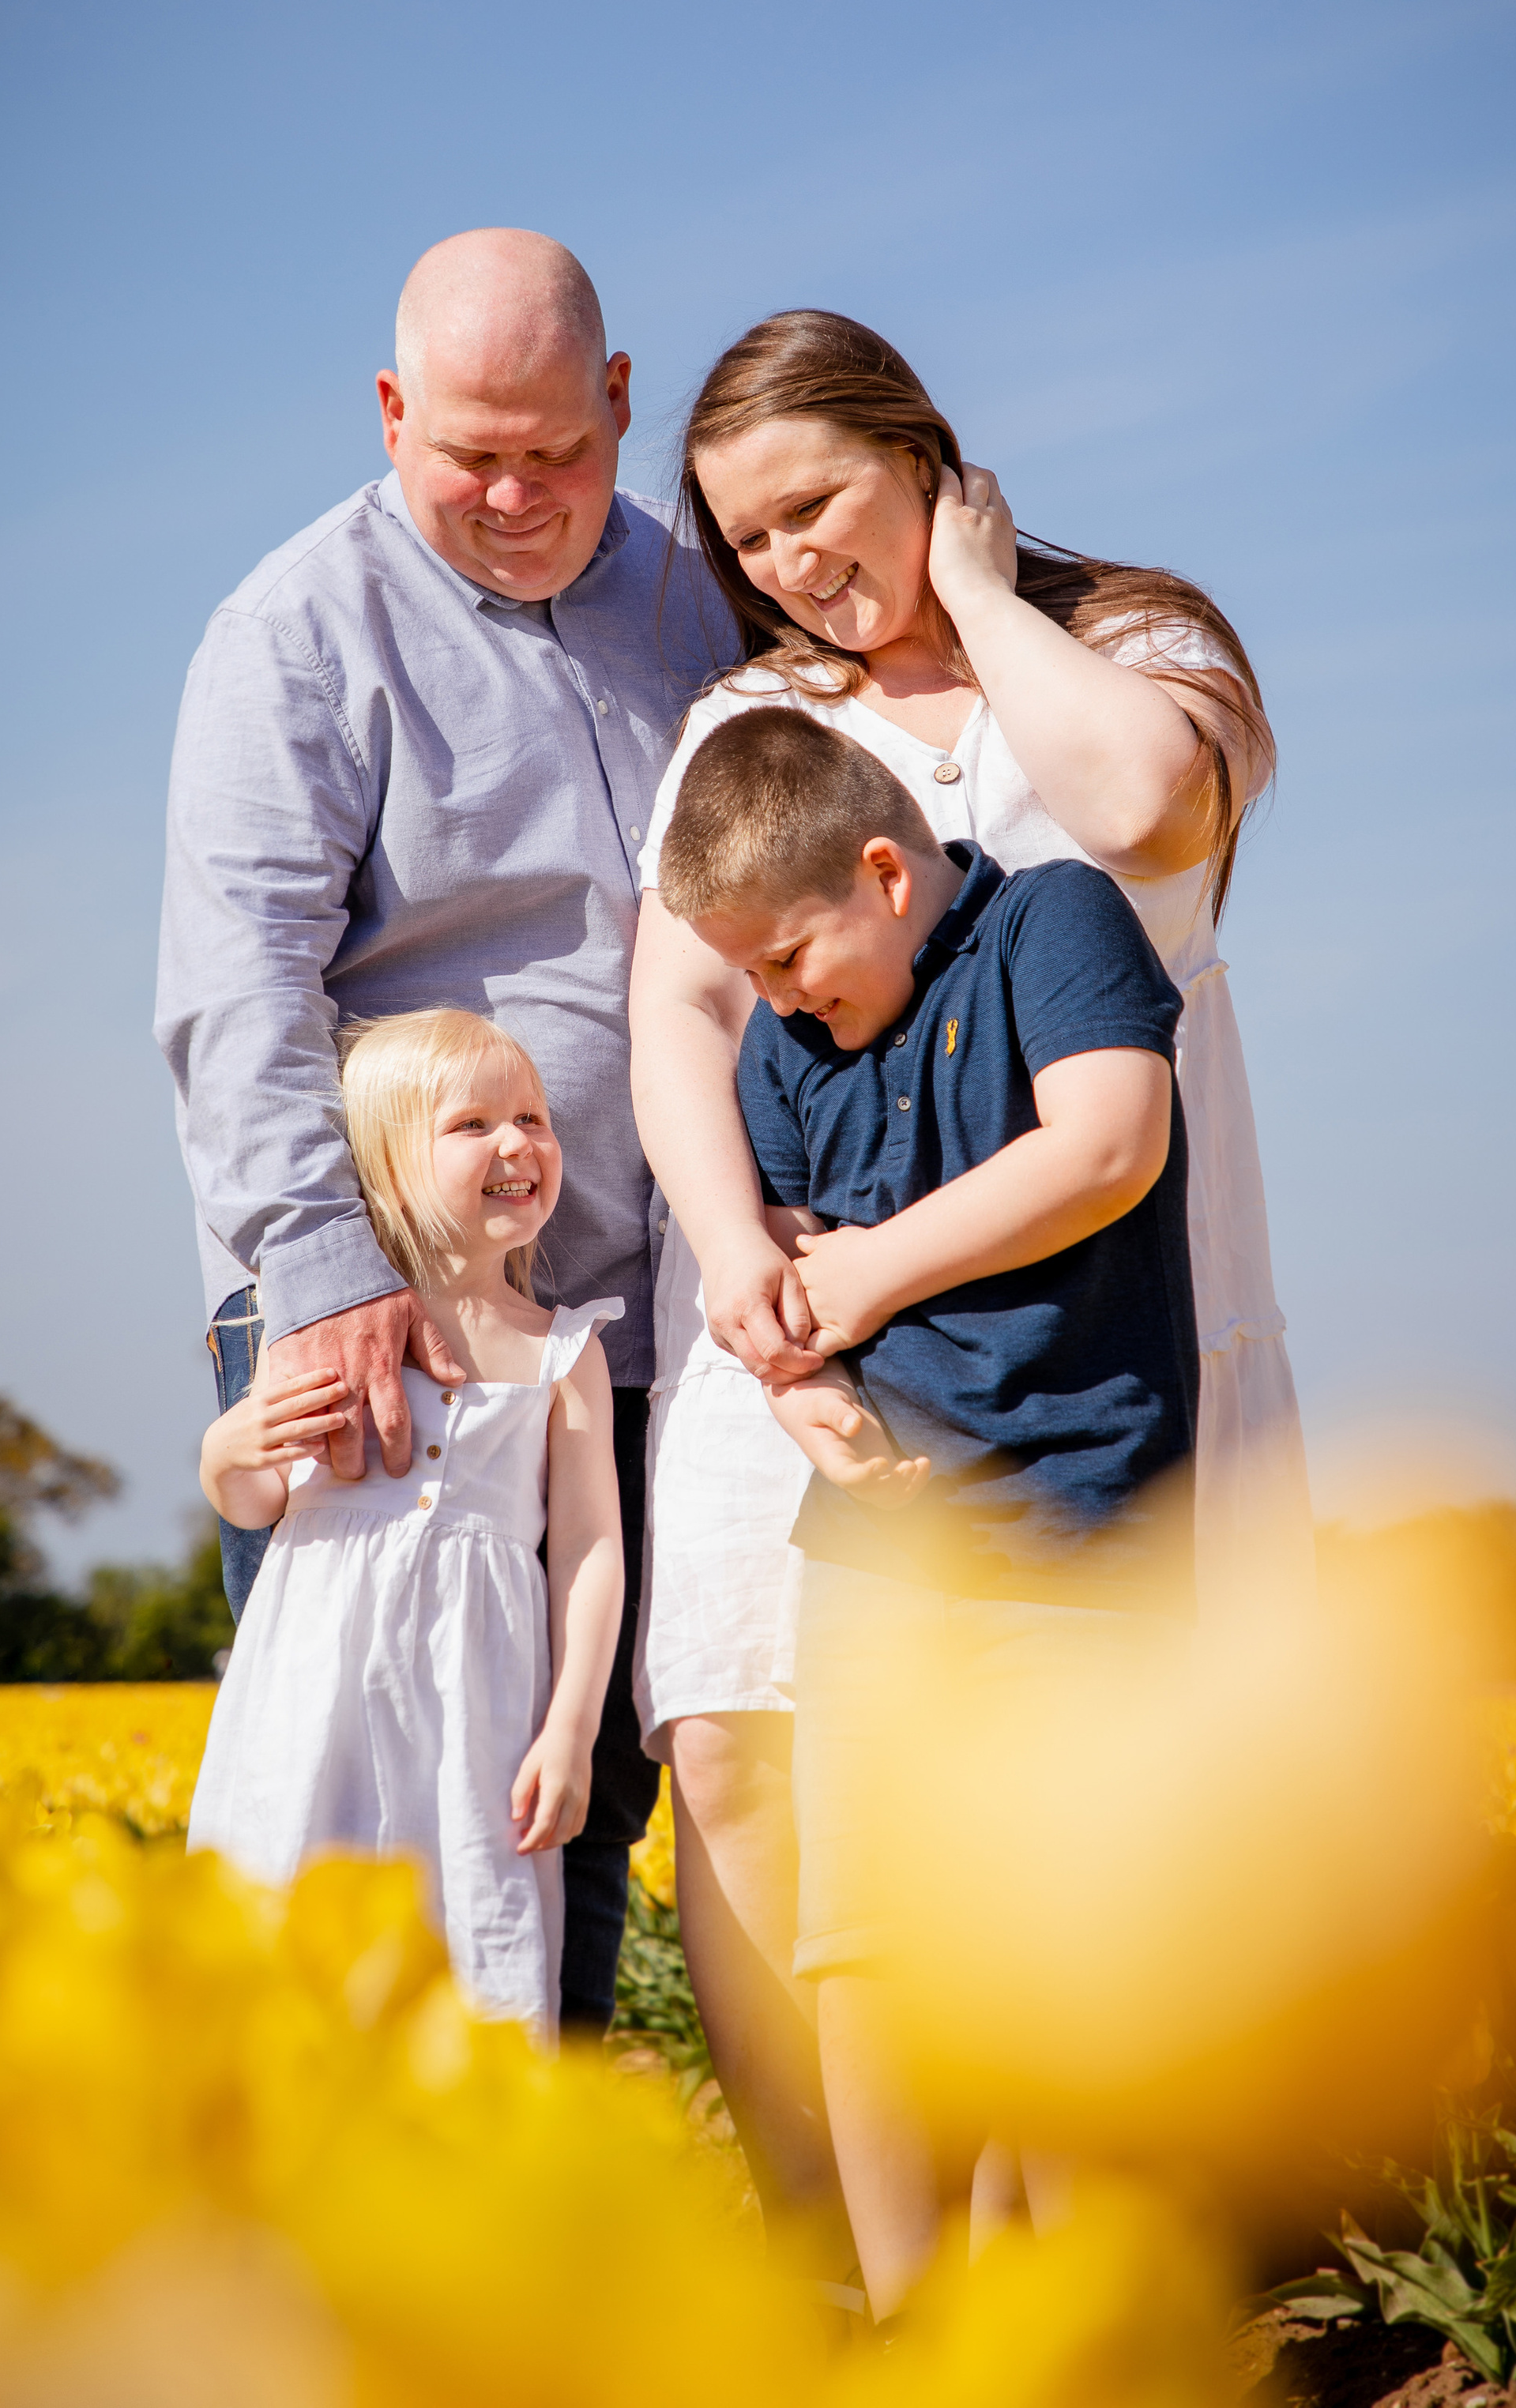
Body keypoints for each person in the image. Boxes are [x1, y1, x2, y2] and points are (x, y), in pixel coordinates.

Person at [627, 307, 1308, 2195]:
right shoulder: (753, 724)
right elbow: (675, 1008)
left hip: (1089, 1302)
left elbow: (1134, 803)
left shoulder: (1138, 646)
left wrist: (987, 603)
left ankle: (1051, 2263)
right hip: (813, 1315)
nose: (788, 564)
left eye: (814, 502)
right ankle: (824, 2268)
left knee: (1065, 1798)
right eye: (744, 538)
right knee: (742, 1751)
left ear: (915, 446)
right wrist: (730, 1239)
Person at [156, 228, 737, 2031]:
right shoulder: (291, 635)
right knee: (360, 1813)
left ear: (621, 406)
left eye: (556, 453)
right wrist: (334, 1278)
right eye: (466, 452)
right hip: (391, 1321)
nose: (510, 493)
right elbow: (236, 986)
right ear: (392, 412)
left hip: (649, 1321)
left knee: (563, 1808)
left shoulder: (696, 604)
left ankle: (518, 2242)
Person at [654, 707, 1197, 2313]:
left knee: (1063, 1945)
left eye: (786, 959)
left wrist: (860, 1278)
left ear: (884, 873)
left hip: (1081, 1530)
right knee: (868, 1945)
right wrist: (803, 1387)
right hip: (880, 1547)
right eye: (745, 979)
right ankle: (911, 2327)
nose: (772, 1003)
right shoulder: (784, 1047)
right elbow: (782, 1272)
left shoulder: (1051, 920)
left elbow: (1104, 1147)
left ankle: (1054, 2318)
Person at [187, 1010, 624, 2041]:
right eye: (472, 1125)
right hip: (317, 1685)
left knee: (469, 1920)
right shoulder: (327, 1332)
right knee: (289, 1901)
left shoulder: (565, 1349)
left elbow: (592, 1547)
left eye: (534, 1118)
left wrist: (570, 1728)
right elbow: (258, 1501)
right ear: (383, 1169)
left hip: (476, 1706)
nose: (518, 1144)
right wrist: (230, 1451)